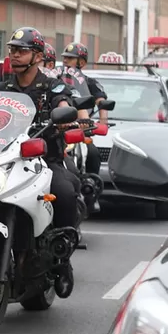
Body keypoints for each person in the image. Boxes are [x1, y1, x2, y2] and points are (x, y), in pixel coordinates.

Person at [0, 27, 79, 231]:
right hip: (5, 161)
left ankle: (62, 251)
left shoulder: (51, 85)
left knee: (64, 193)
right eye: (13, 50)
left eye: (22, 51)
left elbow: (63, 100)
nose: (16, 55)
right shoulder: (1, 89)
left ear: (38, 56)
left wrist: (64, 113)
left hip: (44, 161)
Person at [60, 42, 108, 212]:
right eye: (65, 57)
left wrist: (102, 123)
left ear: (81, 62)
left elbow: (101, 102)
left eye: (71, 58)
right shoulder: (56, 78)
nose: (66, 61)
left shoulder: (90, 83)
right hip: (58, 127)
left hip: (80, 127)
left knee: (93, 154)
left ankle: (91, 194)